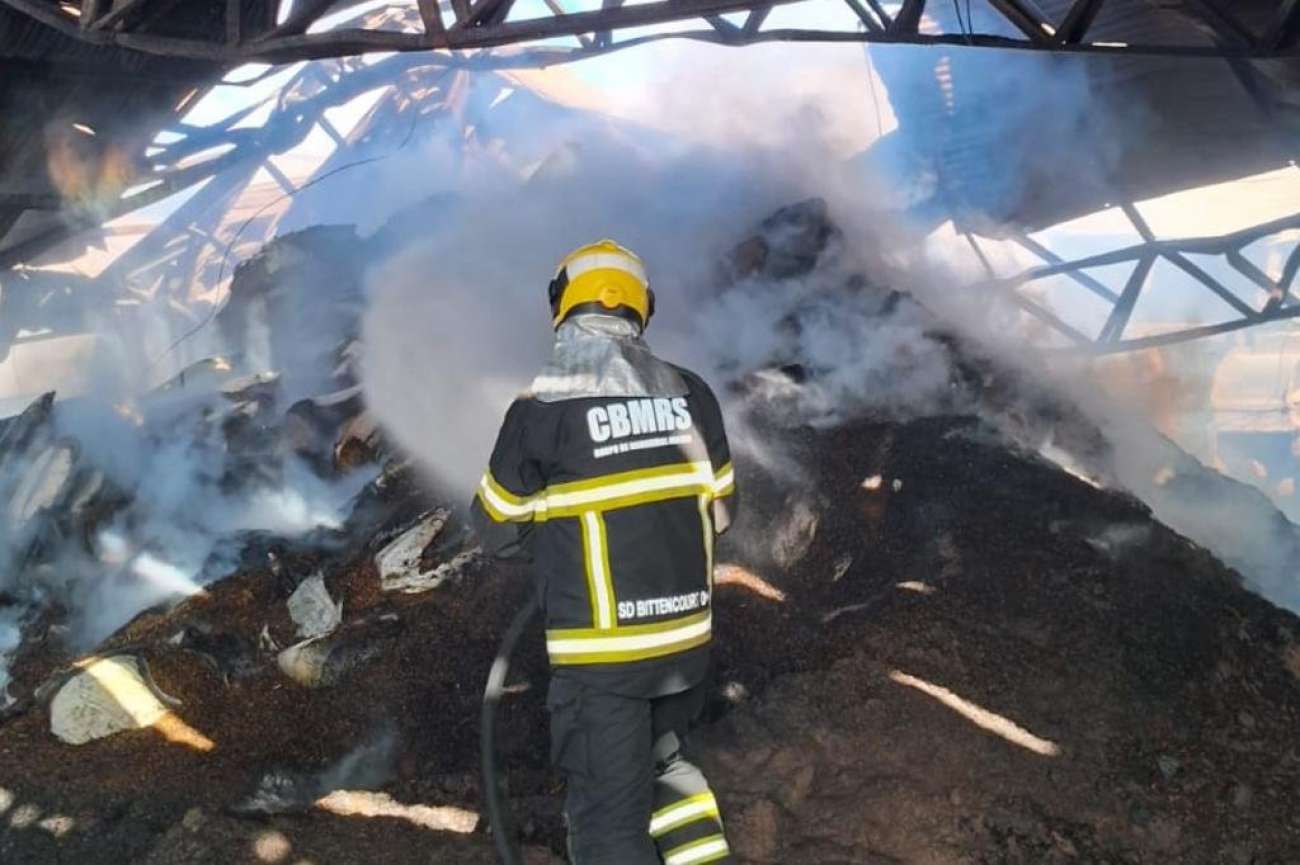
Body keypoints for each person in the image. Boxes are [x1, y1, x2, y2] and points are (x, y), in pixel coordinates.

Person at [470, 239, 736, 865]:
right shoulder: (692, 393)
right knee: (669, 769)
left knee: (606, 824)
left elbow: (496, 528)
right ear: (641, 307)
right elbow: (722, 511)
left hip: (605, 662)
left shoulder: (542, 408)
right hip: (685, 647)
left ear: (562, 305)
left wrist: (560, 530)